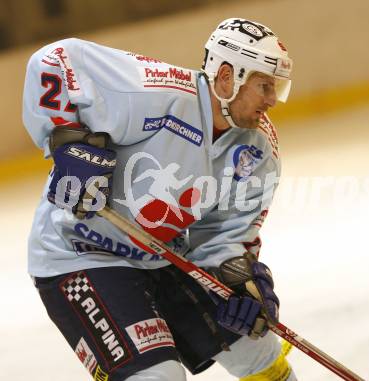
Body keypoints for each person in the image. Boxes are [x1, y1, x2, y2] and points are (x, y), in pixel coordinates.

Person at [22, 17, 296, 381]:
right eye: (264, 86)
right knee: (159, 377)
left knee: (259, 352)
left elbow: (223, 236)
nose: (273, 100)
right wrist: (67, 138)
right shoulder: (152, 92)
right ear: (228, 77)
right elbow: (54, 58)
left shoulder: (258, 151)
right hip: (79, 254)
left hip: (163, 254)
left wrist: (239, 278)